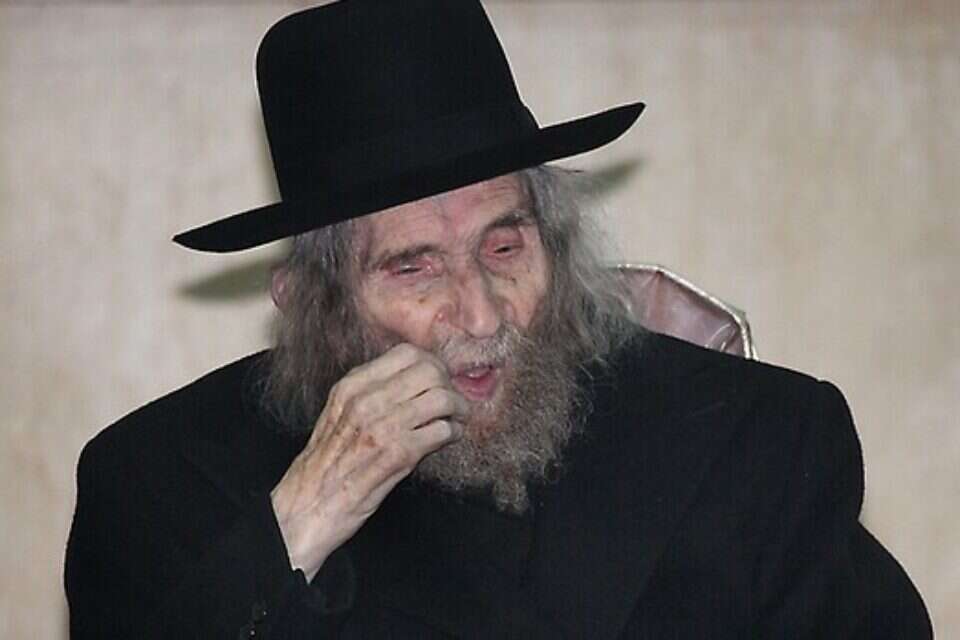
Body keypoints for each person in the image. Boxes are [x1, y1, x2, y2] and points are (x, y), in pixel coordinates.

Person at [64, 1, 932, 638]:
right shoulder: (156, 488)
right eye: (414, 267)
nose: (480, 313)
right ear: (310, 304)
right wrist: (298, 523)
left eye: (505, 246)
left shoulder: (757, 441)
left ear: (554, 240)